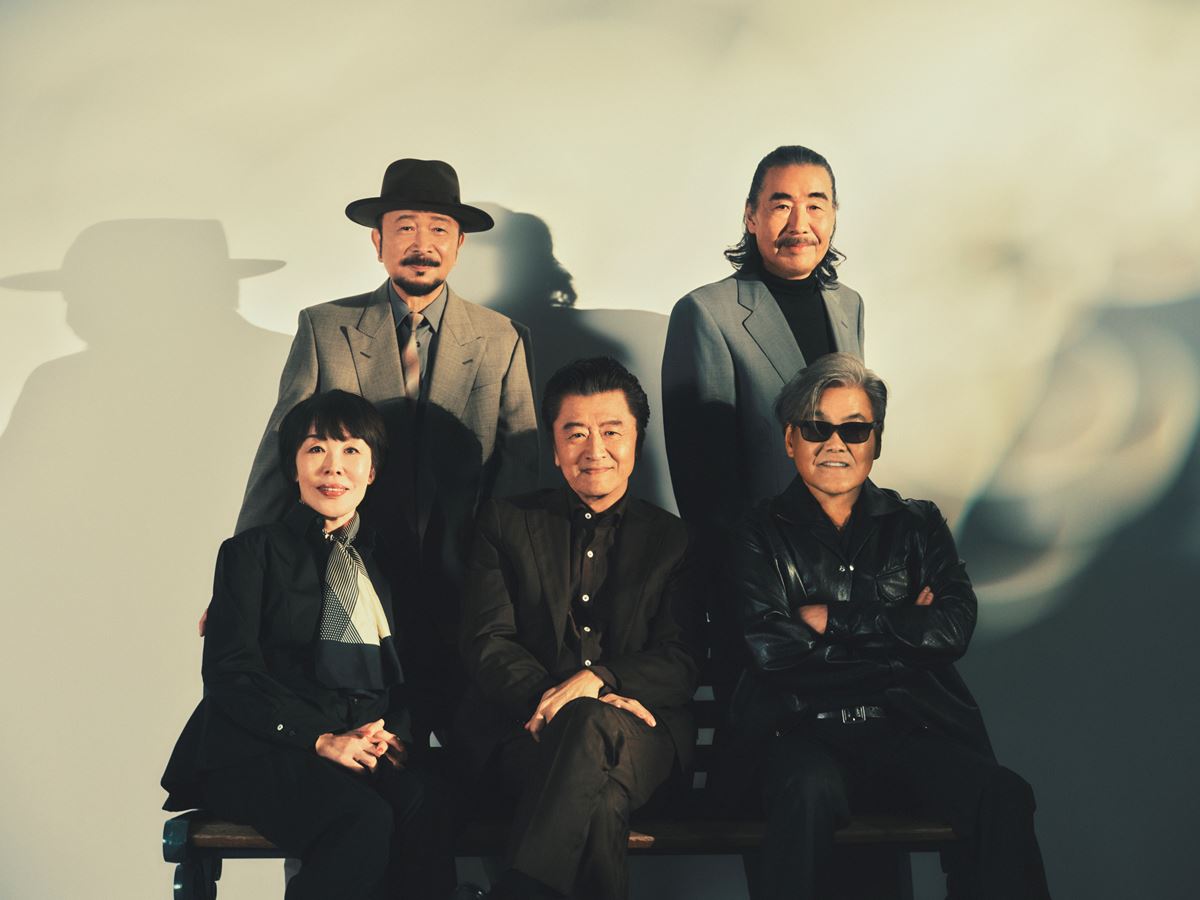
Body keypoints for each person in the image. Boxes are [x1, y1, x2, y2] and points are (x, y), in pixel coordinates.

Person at [233, 158, 539, 742]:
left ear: (459, 244)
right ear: (378, 242)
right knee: (370, 745)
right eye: (405, 227)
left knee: (471, 749)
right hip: (348, 574)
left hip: (462, 578)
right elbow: (280, 454)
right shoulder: (325, 327)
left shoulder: (501, 337)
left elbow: (519, 472)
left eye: (439, 229)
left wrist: (520, 590)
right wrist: (240, 583)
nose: (422, 243)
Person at [729, 353, 1051, 900]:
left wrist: (833, 620)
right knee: (806, 792)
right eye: (817, 428)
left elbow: (951, 629)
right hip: (801, 734)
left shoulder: (918, 524)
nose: (836, 444)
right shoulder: (757, 531)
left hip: (907, 731)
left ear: (876, 441)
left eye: (855, 429)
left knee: (1003, 794)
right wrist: (904, 638)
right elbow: (773, 650)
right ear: (790, 439)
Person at [163, 390, 454, 900]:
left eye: (351, 451)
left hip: (358, 741)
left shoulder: (395, 561)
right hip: (256, 748)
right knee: (360, 819)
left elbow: (419, 668)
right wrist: (319, 738)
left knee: (423, 804)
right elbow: (230, 673)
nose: (333, 467)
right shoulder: (249, 553)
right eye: (316, 449)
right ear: (293, 467)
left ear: (372, 471)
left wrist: (395, 734)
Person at [456, 358, 698, 900]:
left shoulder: (673, 539)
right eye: (576, 433)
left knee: (591, 723)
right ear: (554, 446)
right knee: (602, 801)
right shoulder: (504, 523)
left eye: (612, 431)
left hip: (641, 737)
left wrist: (599, 682)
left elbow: (681, 659)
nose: (595, 450)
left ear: (637, 441)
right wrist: (558, 701)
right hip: (528, 732)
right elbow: (487, 641)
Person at [662, 145, 864, 540]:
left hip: (846, 548)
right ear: (751, 216)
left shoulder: (849, 305)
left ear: (834, 215)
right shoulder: (705, 313)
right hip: (760, 556)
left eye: (815, 206)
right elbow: (703, 487)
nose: (799, 224)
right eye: (782, 206)